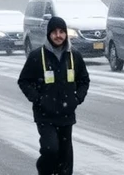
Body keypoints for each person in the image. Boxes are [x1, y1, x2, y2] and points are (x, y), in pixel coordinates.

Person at [18, 16, 90, 175]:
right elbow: (24, 81)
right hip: (45, 115)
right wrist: (38, 99)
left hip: (66, 115)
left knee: (65, 157)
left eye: (62, 32)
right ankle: (44, 170)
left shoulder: (74, 56)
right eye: (55, 32)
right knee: (50, 150)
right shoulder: (37, 56)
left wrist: (77, 98)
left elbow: (84, 80)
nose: (58, 35)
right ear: (49, 34)